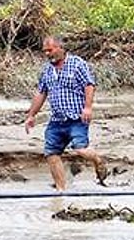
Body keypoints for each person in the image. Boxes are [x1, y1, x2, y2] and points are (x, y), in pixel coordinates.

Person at [24, 36, 107, 191]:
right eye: (45, 51)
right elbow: (41, 93)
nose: (47, 54)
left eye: (50, 50)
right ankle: (61, 191)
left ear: (60, 48)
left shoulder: (77, 64)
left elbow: (89, 85)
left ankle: (97, 159)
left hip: (77, 118)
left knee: (80, 149)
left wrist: (88, 108)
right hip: (56, 120)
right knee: (51, 153)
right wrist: (31, 115)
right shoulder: (47, 70)